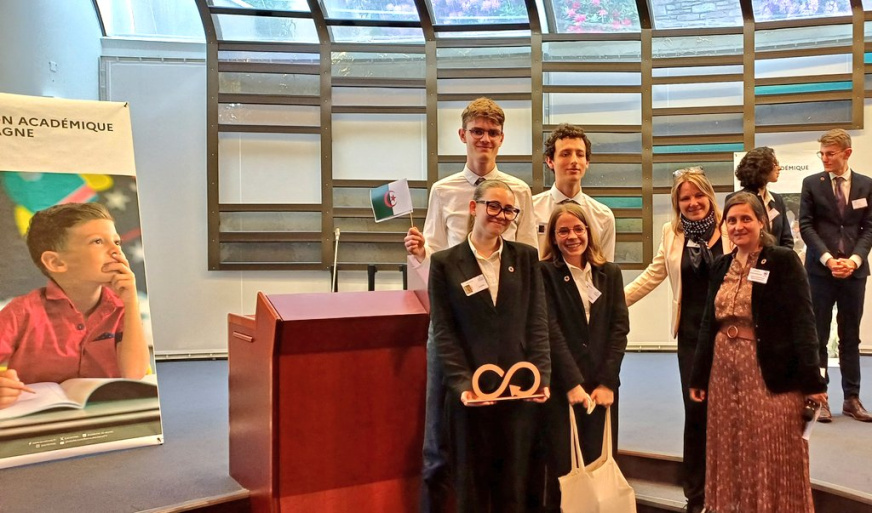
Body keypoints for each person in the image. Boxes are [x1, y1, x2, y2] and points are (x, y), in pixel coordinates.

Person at [404, 97, 538, 512]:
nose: (484, 139)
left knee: (500, 437)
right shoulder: (443, 191)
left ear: (502, 139)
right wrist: (418, 255)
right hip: (451, 325)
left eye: (492, 132)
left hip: (500, 327)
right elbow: (435, 260)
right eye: (477, 131)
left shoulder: (519, 191)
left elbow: (527, 260)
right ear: (463, 135)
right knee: (437, 443)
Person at [689, 192, 827, 513]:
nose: (738, 226)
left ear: (761, 222)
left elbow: (803, 321)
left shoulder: (782, 260)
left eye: (745, 219)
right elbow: (709, 322)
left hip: (768, 369)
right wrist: (698, 375)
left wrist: (813, 381)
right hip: (724, 371)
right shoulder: (721, 265)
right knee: (731, 444)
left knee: (770, 445)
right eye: (732, 220)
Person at [429, 179, 550, 513]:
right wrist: (462, 385)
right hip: (471, 395)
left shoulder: (525, 257)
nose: (501, 215)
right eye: (493, 206)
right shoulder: (444, 263)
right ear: (474, 207)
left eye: (509, 210)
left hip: (518, 390)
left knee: (514, 487)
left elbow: (537, 321)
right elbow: (444, 332)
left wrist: (541, 377)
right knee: (472, 490)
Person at [623, 167, 728, 513]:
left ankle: (728, 488)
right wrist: (613, 302)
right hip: (692, 336)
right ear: (676, 203)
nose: (693, 203)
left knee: (729, 414)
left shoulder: (730, 226)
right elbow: (652, 275)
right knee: (696, 413)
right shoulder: (672, 233)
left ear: (710, 196)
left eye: (698, 195)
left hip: (731, 336)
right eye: (685, 198)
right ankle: (696, 494)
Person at [0, 203, 149, 409]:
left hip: (109, 416)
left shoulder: (122, 307)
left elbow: (135, 374)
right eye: (97, 241)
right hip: (40, 420)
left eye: (117, 242)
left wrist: (131, 302)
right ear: (56, 263)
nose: (116, 251)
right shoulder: (21, 312)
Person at [539, 203, 629, 512]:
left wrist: (607, 382)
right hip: (563, 386)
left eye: (578, 229)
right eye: (563, 231)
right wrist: (572, 383)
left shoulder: (610, 273)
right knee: (564, 471)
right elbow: (549, 331)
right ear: (553, 237)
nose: (572, 236)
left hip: (602, 386)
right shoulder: (544, 273)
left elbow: (619, 329)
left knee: (600, 466)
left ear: (589, 232)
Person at [800, 128, 872, 423]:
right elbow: (806, 226)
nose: (825, 159)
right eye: (822, 154)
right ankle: (820, 398)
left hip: (854, 273)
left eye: (830, 154)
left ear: (847, 153)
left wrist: (854, 261)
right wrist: (829, 260)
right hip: (820, 271)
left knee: (850, 337)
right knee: (817, 335)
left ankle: (852, 399)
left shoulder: (866, 185)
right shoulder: (811, 184)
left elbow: (869, 228)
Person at [533, 123, 616, 261]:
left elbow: (605, 268)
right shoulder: (530, 209)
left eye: (580, 154)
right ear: (550, 161)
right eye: (565, 154)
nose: (574, 161)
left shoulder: (603, 216)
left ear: (587, 162)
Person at [728, 146, 793, 248]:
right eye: (775, 164)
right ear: (762, 167)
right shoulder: (735, 199)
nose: (779, 168)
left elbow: (787, 239)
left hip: (778, 257)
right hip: (748, 257)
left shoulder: (777, 200)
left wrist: (783, 256)